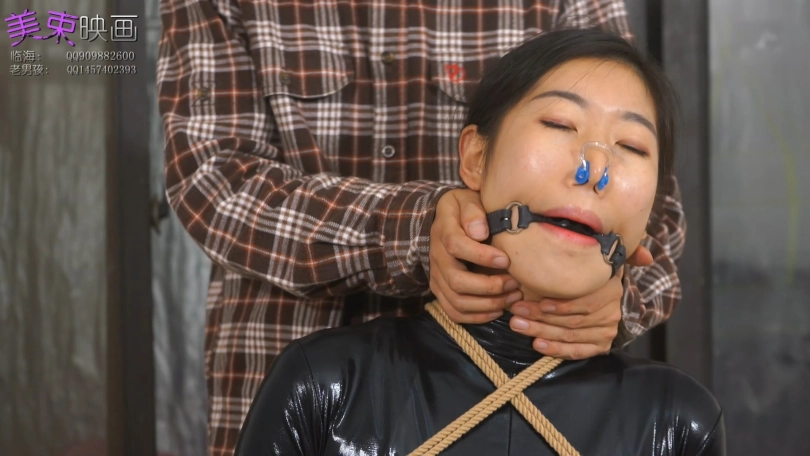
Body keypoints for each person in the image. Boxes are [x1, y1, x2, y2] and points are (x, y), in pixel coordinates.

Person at [157, 1, 686, 454]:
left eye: (628, 147)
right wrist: (415, 228)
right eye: (557, 124)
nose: (593, 168)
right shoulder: (309, 382)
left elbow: (647, 194)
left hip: (551, 389)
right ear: (473, 156)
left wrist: (614, 294)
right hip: (289, 372)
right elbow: (213, 178)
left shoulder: (674, 419)